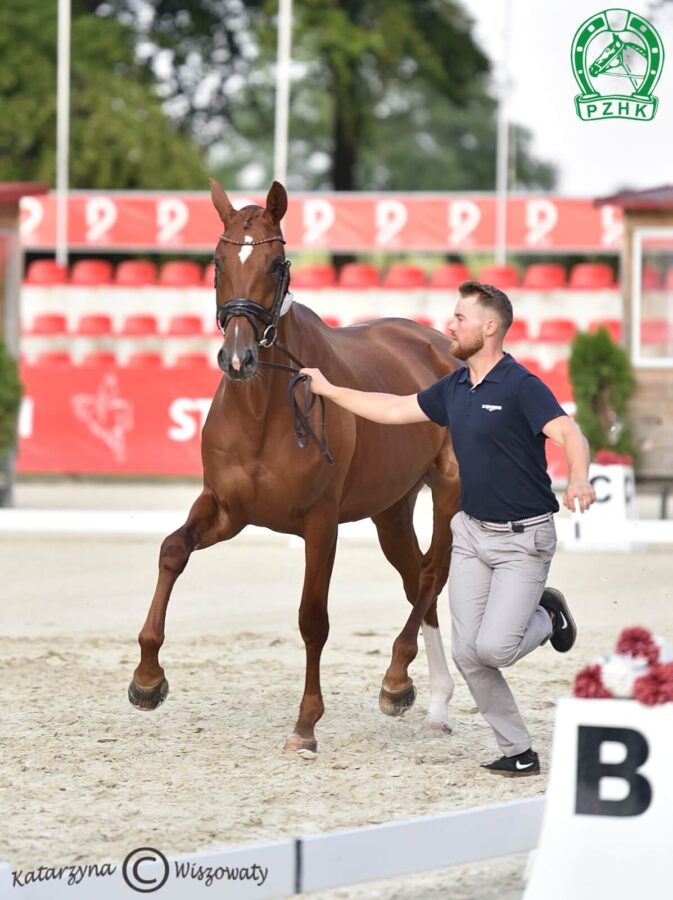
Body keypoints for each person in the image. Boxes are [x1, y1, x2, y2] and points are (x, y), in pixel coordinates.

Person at [300, 281, 596, 777]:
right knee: (466, 652)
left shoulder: (521, 385)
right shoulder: (454, 388)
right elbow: (393, 409)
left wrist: (580, 476)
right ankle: (518, 750)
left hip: (524, 538)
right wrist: (329, 389)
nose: (449, 326)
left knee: (494, 648)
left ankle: (546, 612)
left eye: (459, 318)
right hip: (472, 537)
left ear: (489, 327)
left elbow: (570, 432)